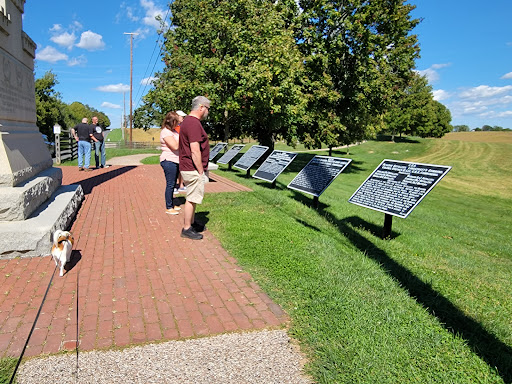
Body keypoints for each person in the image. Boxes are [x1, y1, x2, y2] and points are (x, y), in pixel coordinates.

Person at [178, 96, 211, 240]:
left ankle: (192, 223)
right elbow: (195, 150)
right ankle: (186, 228)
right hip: (192, 167)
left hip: (189, 166)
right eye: (208, 109)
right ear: (201, 107)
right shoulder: (193, 123)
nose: (208, 112)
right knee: (192, 198)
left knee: (194, 196)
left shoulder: (188, 122)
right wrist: (200, 170)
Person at [160, 111, 182, 215]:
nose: (178, 124)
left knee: (173, 185)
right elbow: (175, 146)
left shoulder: (174, 132)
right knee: (170, 184)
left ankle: (172, 203)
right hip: (169, 160)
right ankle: (168, 207)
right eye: (176, 122)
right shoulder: (165, 132)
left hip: (176, 160)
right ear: (171, 121)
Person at [174, 110, 188, 193]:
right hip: (175, 151)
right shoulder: (174, 127)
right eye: (182, 116)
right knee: (175, 169)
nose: (183, 118)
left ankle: (181, 184)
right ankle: (175, 185)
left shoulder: (182, 126)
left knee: (181, 169)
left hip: (182, 151)